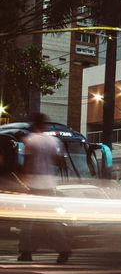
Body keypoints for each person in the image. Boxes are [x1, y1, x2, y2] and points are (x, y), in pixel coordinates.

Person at [17, 112, 71, 264]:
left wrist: (22, 179)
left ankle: (26, 252)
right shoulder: (54, 142)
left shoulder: (30, 140)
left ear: (34, 124)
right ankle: (63, 249)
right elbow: (59, 162)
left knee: (27, 222)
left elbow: (26, 164)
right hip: (48, 186)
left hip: (34, 185)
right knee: (51, 221)